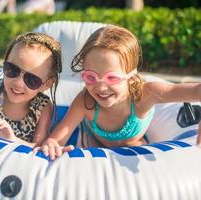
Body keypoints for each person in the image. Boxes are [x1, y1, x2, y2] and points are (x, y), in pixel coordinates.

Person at [38, 25, 201, 160]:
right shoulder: (85, 102)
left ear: (131, 75)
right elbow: (57, 138)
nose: (101, 88)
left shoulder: (144, 95)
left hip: (135, 146)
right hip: (91, 142)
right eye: (91, 77)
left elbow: (195, 91)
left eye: (112, 78)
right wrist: (51, 144)